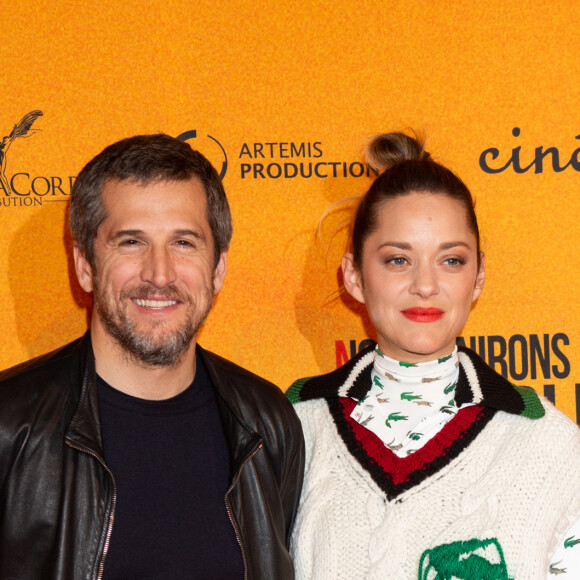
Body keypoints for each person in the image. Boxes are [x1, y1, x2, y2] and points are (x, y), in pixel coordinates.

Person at [0, 134, 304, 580]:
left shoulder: (266, 423)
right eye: (130, 242)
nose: (158, 273)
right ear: (84, 266)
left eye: (184, 243)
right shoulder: (9, 425)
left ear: (217, 268)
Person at [287, 131, 580, 579]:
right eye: (398, 260)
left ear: (478, 276)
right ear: (354, 275)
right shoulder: (290, 433)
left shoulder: (552, 449)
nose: (425, 285)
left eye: (451, 260)